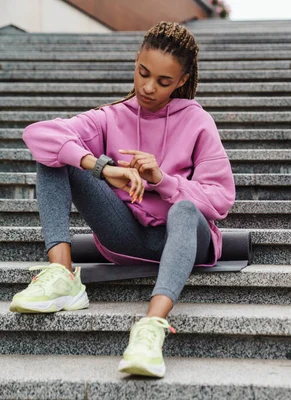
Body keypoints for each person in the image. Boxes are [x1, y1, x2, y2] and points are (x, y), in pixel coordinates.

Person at [9, 21, 236, 378]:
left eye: (163, 82)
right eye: (143, 73)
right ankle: (63, 274)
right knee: (55, 155)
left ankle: (150, 328)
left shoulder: (197, 121)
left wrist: (162, 180)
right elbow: (38, 134)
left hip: (187, 239)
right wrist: (101, 167)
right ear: (136, 61)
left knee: (186, 208)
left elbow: (221, 199)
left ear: (181, 80)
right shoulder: (111, 117)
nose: (147, 88)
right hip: (125, 235)